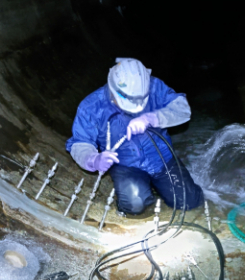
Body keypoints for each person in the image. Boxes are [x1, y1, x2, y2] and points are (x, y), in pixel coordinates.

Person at [66, 58, 205, 215]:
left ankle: (164, 188)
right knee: (135, 205)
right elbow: (80, 143)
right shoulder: (91, 107)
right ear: (113, 89)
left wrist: (152, 118)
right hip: (126, 166)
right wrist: (93, 159)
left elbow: (182, 109)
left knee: (189, 201)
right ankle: (142, 195)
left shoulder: (154, 86)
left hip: (162, 158)